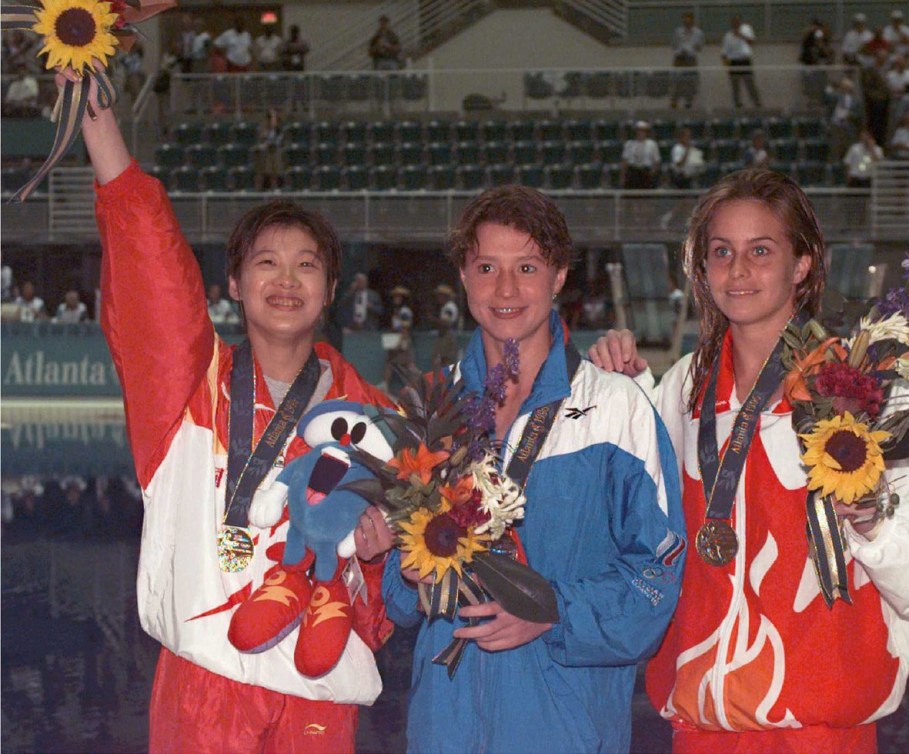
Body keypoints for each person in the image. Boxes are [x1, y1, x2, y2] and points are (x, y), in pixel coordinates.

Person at [62, 65, 396, 753]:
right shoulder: (184, 391)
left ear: (331, 286)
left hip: (320, 689)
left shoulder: (373, 420)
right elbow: (150, 268)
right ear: (236, 283)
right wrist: (98, 124)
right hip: (203, 686)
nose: (285, 279)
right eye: (266, 263)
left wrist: (381, 555)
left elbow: (395, 593)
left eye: (305, 265)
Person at [589, 169, 909, 753]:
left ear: (804, 263)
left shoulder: (865, 389)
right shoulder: (680, 390)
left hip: (820, 731)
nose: (738, 271)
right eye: (721, 252)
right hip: (700, 728)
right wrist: (618, 393)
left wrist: (874, 522)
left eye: (761, 251)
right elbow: (628, 524)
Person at [381, 184, 686, 754]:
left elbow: (657, 581)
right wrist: (406, 574)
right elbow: (394, 601)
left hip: (566, 728)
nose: (505, 289)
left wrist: (553, 612)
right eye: (486, 266)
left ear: (560, 275)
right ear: (464, 277)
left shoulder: (616, 409)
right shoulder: (429, 409)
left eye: (526, 266)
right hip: (444, 726)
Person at [722, 15, 762, 109]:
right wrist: (727, 66)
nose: (735, 23)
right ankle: (737, 104)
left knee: (750, 84)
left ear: (740, 22)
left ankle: (757, 103)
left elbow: (752, 42)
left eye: (737, 21)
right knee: (735, 86)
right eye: (733, 22)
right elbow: (724, 53)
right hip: (733, 62)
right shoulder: (727, 36)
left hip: (745, 61)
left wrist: (741, 35)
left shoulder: (747, 30)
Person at [669, 12, 705, 110]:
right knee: (676, 81)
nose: (687, 22)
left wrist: (693, 48)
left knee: (691, 82)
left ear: (692, 20)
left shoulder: (698, 33)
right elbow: (673, 45)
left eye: (689, 20)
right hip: (679, 58)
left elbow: (700, 47)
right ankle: (674, 101)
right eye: (685, 20)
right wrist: (680, 50)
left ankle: (689, 102)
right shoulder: (678, 31)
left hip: (691, 59)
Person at [826, 76, 863, 162]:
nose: (845, 89)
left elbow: (858, 115)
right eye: (843, 87)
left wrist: (850, 115)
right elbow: (827, 99)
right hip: (837, 125)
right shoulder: (835, 97)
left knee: (849, 150)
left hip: (849, 127)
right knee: (836, 149)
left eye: (847, 87)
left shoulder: (856, 101)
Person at [621, 120, 661, 189]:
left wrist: (651, 174)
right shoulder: (629, 144)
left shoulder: (652, 144)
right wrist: (623, 176)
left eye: (642, 131)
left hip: (646, 172)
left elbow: (656, 161)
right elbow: (625, 161)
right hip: (633, 171)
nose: (640, 133)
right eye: (638, 130)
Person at [254, 107, 283, 191]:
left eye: (274, 118)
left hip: (274, 150)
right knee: (262, 169)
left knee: (274, 170)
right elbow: (261, 139)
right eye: (271, 118)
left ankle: (275, 188)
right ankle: (258, 188)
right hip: (264, 153)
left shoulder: (278, 130)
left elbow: (278, 141)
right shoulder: (263, 129)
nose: (273, 120)